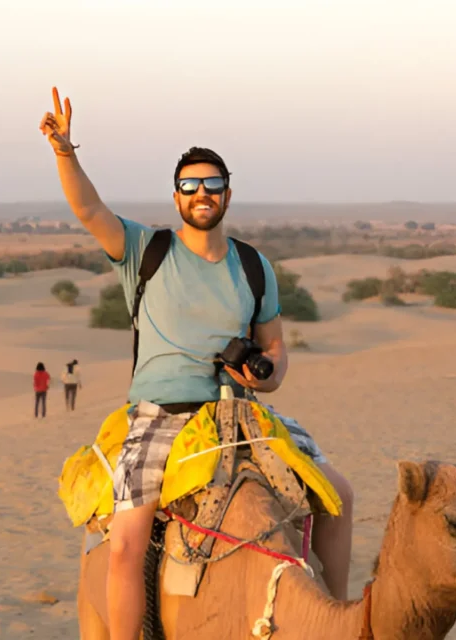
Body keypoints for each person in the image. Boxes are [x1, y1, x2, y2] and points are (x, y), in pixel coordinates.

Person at [40, 87, 355, 640]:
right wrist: (66, 153)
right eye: (190, 185)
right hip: (161, 416)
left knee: (340, 496)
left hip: (239, 414)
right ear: (176, 196)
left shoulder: (253, 266)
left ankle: (332, 617)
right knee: (127, 543)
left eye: (212, 184)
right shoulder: (145, 250)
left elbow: (275, 349)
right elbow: (88, 210)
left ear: (228, 194)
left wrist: (265, 375)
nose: (201, 193)